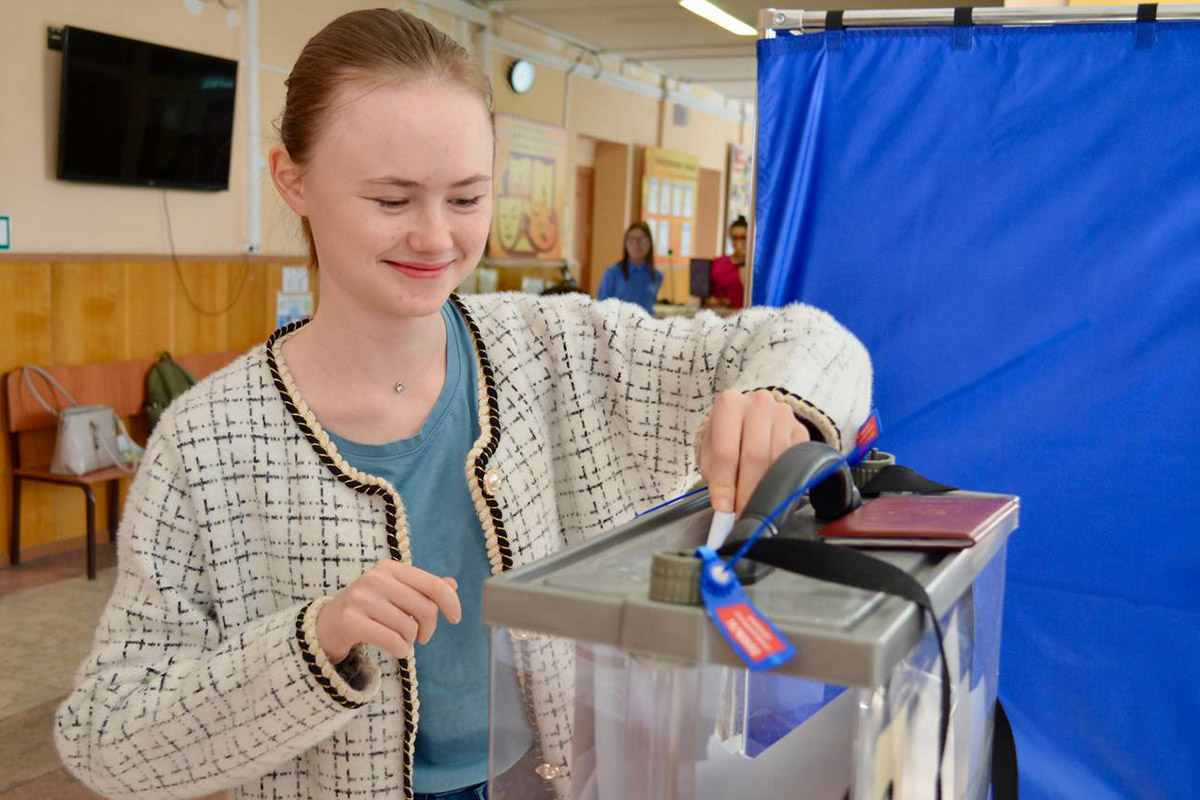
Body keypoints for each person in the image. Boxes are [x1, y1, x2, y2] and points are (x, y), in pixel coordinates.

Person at [54, 9, 872, 800]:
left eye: (467, 198)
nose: (436, 238)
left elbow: (817, 342)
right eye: (392, 200)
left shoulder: (556, 349)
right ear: (292, 179)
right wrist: (314, 643)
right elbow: (107, 740)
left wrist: (779, 399)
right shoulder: (208, 443)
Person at [596, 221, 663, 313]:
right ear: (625, 244)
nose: (637, 244)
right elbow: (601, 306)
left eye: (642, 239)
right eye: (632, 239)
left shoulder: (657, 276)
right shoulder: (612, 273)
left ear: (650, 243)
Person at [710, 215, 749, 309]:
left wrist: (743, 261)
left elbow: (748, 290)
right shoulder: (718, 263)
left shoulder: (753, 266)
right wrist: (716, 301)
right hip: (722, 312)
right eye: (735, 238)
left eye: (743, 238)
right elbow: (710, 294)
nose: (739, 242)